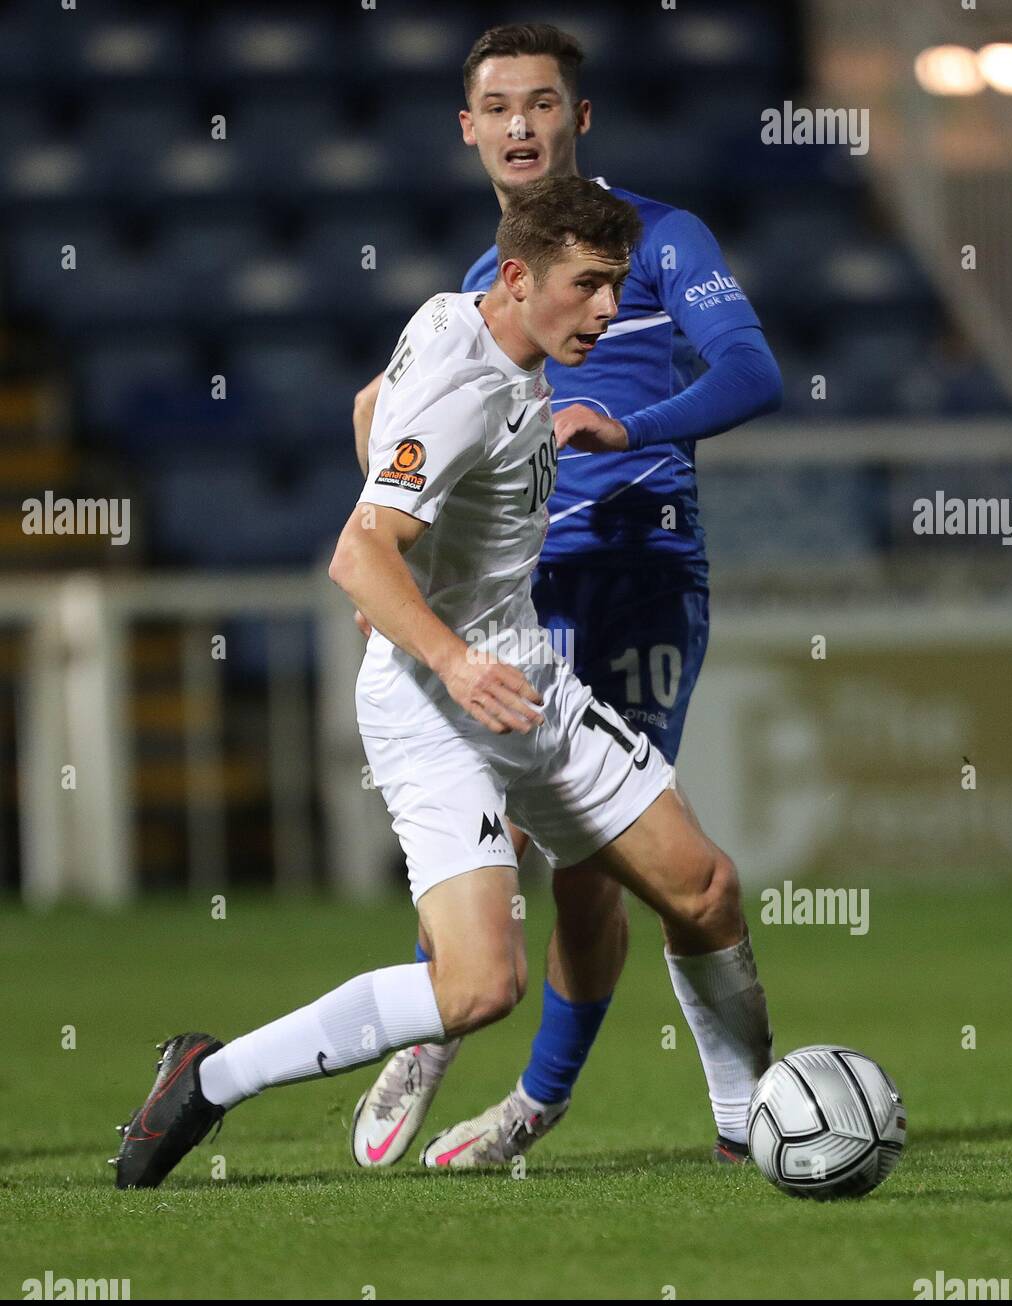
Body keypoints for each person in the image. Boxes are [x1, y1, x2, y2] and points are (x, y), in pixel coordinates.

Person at [111, 176, 772, 1191]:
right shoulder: (468, 394)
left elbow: (371, 406)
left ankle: (746, 1139)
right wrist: (444, 647)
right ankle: (209, 1076)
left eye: (616, 287)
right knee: (477, 986)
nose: (608, 310)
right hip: (436, 705)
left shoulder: (452, 314)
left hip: (523, 676)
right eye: (589, 287)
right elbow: (356, 552)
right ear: (517, 277)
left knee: (704, 886)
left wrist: (423, 584)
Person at [350, 23, 782, 1169]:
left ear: (577, 119)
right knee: (482, 826)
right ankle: (443, 1013)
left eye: (542, 103)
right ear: (470, 131)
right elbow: (378, 416)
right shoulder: (480, 286)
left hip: (637, 579)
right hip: (518, 595)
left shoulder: (660, 239)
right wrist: (382, 554)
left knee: (600, 864)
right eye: (498, 108)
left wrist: (629, 423)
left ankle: (540, 1102)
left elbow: (752, 371)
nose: (520, 126)